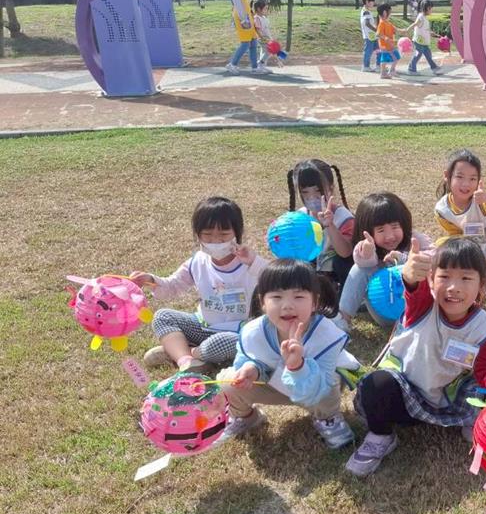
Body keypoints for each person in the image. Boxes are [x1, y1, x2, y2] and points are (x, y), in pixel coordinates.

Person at [346, 238, 486, 477]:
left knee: (481, 389)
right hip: (401, 395)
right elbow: (413, 290)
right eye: (444, 277)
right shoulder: (424, 306)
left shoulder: (483, 327)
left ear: (482, 284)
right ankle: (381, 436)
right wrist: (410, 277)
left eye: (465, 278)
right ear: (431, 279)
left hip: (444, 401)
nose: (454, 287)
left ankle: (472, 420)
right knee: (375, 384)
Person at [215, 259, 358, 450]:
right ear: (262, 302)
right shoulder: (253, 332)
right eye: (276, 297)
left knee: (330, 381)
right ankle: (246, 417)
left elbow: (320, 388)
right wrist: (251, 369)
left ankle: (327, 419)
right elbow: (245, 359)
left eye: (298, 297)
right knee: (229, 381)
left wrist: (297, 366)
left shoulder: (325, 335)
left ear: (314, 302)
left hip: (316, 390)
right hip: (274, 384)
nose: (287, 305)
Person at [130, 197, 266, 372]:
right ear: (198, 234)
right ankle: (186, 360)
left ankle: (186, 352)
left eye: (224, 235)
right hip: (203, 326)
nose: (215, 241)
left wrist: (254, 261)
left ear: (237, 233)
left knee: (224, 343)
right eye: (207, 235)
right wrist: (150, 279)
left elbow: (279, 280)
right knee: (163, 316)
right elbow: (173, 286)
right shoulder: (197, 262)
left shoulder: (249, 263)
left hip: (237, 332)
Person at [338, 192, 432, 331]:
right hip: (384, 312)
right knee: (359, 269)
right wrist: (368, 254)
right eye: (381, 230)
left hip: (417, 313)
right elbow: (363, 263)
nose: (390, 236)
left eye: (395, 227)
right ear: (367, 231)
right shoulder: (367, 246)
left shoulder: (415, 239)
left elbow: (436, 258)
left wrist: (406, 260)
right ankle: (342, 319)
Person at [287, 159, 355, 291]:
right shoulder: (300, 217)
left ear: (331, 189)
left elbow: (346, 252)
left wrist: (330, 225)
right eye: (305, 192)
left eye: (318, 191)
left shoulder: (343, 218)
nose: (312, 197)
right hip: (307, 280)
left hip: (336, 280)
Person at [434, 148, 486, 258]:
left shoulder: (481, 199)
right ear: (447, 175)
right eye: (460, 177)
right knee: (440, 244)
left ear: (479, 180)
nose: (466, 184)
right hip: (478, 248)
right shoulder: (442, 210)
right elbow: (456, 233)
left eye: (472, 179)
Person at [225, 0, 263, 75]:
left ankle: (255, 68)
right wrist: (243, 19)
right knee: (245, 42)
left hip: (247, 15)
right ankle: (232, 64)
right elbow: (238, 3)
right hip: (241, 16)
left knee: (253, 41)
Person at [404, 0, 442, 76]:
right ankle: (411, 69)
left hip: (423, 41)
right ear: (427, 8)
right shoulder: (421, 17)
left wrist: (431, 33)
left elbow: (424, 29)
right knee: (418, 54)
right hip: (418, 41)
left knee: (428, 54)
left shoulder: (424, 17)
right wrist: (407, 29)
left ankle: (434, 67)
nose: (431, 10)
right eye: (431, 8)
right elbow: (415, 24)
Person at [252, 0, 280, 69]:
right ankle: (260, 63)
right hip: (263, 38)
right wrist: (263, 38)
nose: (266, 10)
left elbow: (266, 28)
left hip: (267, 37)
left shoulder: (264, 17)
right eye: (265, 8)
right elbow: (257, 29)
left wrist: (270, 37)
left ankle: (262, 67)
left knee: (264, 51)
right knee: (269, 51)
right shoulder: (257, 18)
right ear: (259, 9)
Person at [376, 3, 399, 79]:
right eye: (390, 12)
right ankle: (383, 73)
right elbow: (378, 34)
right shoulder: (382, 23)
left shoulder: (388, 23)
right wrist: (385, 38)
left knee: (396, 57)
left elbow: (395, 29)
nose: (390, 14)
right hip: (384, 46)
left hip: (390, 45)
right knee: (384, 59)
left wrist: (404, 30)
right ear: (385, 13)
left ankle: (391, 70)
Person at [360, 0, 378, 73]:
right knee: (368, 51)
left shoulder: (367, 11)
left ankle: (378, 65)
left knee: (378, 49)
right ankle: (366, 66)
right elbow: (367, 23)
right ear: (367, 1)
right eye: (372, 1)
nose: (373, 3)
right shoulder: (366, 11)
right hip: (369, 36)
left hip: (372, 35)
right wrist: (376, 30)